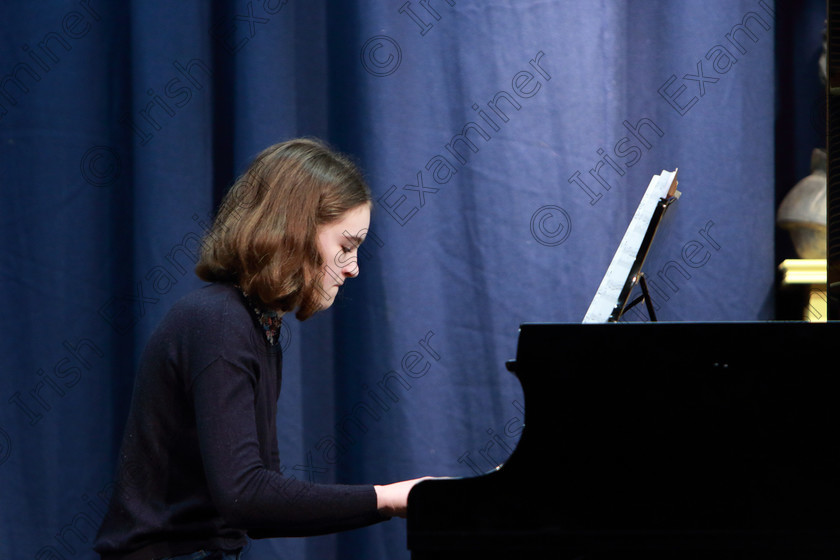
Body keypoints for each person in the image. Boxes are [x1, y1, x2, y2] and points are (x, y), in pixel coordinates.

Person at [93, 138, 428, 560]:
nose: (354, 267)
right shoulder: (218, 322)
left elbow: (260, 507)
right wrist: (388, 497)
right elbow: (246, 496)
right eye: (346, 245)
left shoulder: (259, 325)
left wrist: (389, 501)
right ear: (296, 230)